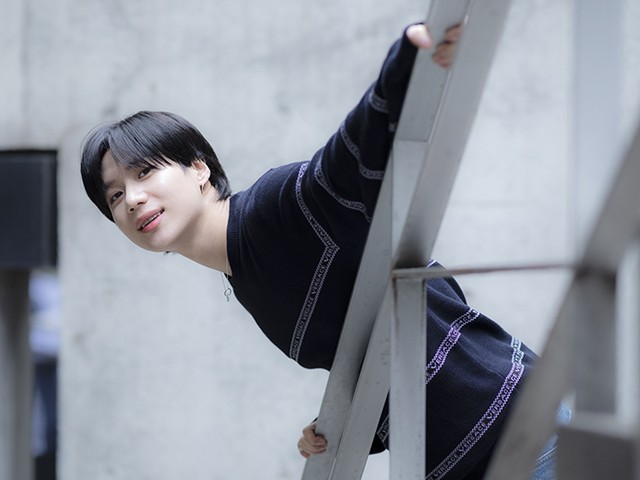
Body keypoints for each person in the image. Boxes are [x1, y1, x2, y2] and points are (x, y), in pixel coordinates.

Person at [80, 22, 563, 479]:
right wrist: (340, 424)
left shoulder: (270, 210)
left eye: (145, 172)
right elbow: (373, 349)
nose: (133, 198)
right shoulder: (243, 274)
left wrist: (408, 65)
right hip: (457, 460)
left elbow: (344, 162)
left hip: (518, 426)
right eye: (115, 195)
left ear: (199, 168)